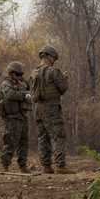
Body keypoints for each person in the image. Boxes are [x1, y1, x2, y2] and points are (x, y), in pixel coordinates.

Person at [29, 44, 75, 174]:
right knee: (58, 135)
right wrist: (65, 78)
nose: (54, 60)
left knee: (43, 136)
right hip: (52, 107)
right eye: (54, 57)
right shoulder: (53, 71)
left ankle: (46, 165)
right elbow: (63, 88)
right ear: (49, 56)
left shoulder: (34, 72)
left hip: (38, 108)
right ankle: (60, 165)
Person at [0, 61, 32, 173]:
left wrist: (25, 82)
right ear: (11, 73)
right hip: (12, 118)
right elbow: (10, 94)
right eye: (18, 74)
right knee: (10, 142)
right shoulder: (6, 84)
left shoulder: (19, 84)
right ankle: (5, 165)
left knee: (23, 143)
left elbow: (29, 89)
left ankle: (23, 166)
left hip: (22, 117)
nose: (20, 77)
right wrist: (24, 96)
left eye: (21, 75)